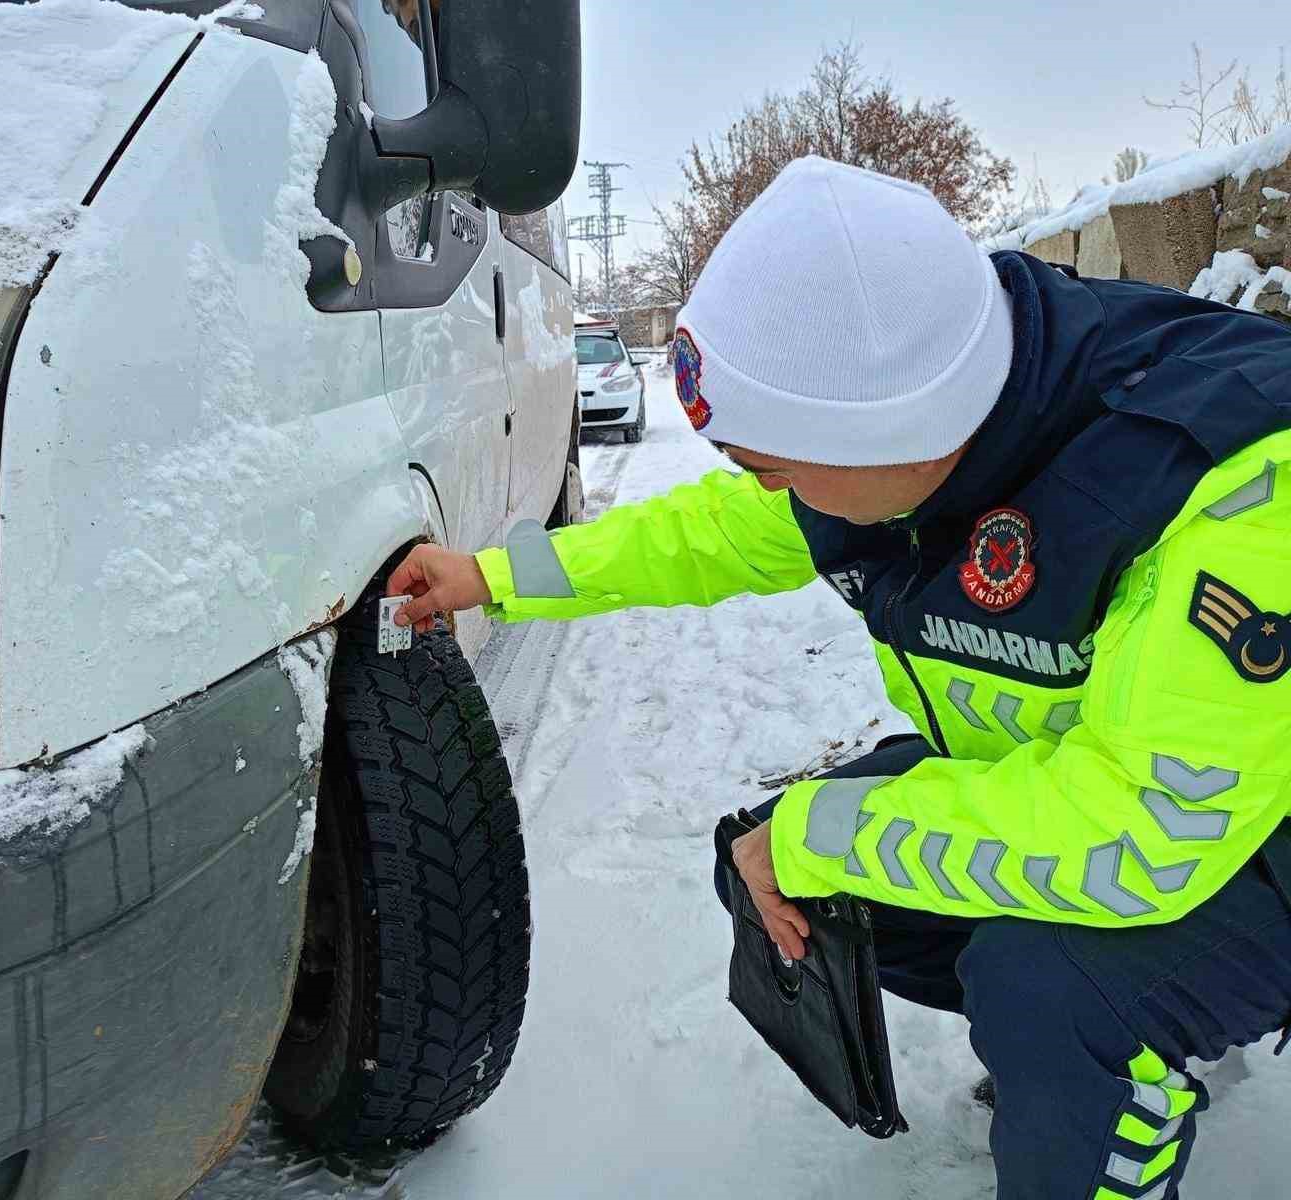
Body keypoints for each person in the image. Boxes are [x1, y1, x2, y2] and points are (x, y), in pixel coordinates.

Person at [385, 155, 1291, 1198]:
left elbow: (1142, 831)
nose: (760, 487)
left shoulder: (1230, 487)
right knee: (782, 870)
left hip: (1244, 839)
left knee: (1044, 983)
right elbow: (705, 535)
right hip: (1085, 781)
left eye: (769, 464)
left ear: (882, 434)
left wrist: (815, 835)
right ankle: (1075, 1058)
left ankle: (1100, 1051)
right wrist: (491, 578)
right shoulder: (914, 432)